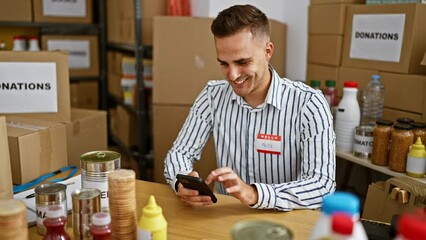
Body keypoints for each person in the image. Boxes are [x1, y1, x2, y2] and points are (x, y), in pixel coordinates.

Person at [164, 4, 336, 211]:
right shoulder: (212, 95)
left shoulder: (309, 104)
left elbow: (322, 185)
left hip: (285, 222)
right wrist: (180, 183)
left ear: (268, 51)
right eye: (224, 64)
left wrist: (254, 193)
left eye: (242, 62)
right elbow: (179, 153)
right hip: (225, 218)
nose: (233, 75)